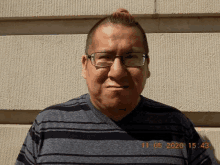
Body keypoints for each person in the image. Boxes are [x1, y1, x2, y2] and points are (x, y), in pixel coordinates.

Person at [16, 8, 217, 165]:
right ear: (85, 66)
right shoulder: (48, 125)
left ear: (147, 67)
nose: (117, 71)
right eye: (104, 57)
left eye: (132, 57)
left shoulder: (177, 127)